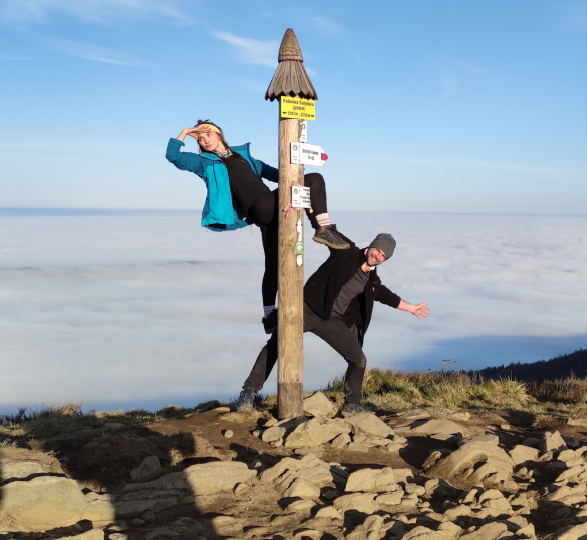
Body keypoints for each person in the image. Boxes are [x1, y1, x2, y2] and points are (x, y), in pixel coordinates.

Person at [166, 120, 349, 333]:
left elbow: (278, 174)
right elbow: (174, 157)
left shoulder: (244, 157)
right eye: (199, 138)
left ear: (218, 134)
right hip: (261, 207)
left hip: (268, 214)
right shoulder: (205, 162)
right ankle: (323, 229)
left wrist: (297, 173)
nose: (204, 140)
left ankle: (269, 315)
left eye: (207, 134)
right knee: (316, 179)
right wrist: (185, 132)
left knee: (272, 265)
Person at [237, 231, 430, 416]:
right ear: (372, 245)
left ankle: (352, 405)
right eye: (378, 250)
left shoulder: (372, 281)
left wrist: (412, 308)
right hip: (307, 309)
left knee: (358, 360)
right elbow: (328, 232)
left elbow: (388, 297)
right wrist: (315, 212)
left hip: (331, 321)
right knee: (276, 343)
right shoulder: (347, 252)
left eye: (383, 256)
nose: (378, 256)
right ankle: (249, 393)